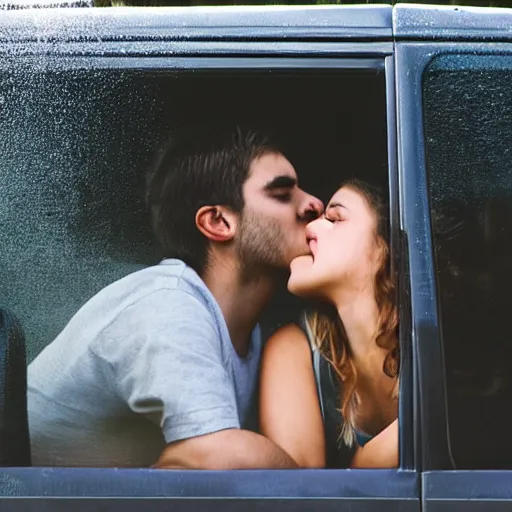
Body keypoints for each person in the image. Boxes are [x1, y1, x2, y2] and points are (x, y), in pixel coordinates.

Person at [27, 124, 323, 469]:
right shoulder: (169, 306)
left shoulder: (253, 333)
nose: (314, 204)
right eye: (282, 194)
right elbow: (220, 458)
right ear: (218, 221)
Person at [259, 179, 399, 469]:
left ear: (386, 249)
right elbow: (304, 492)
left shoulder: (442, 343)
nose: (310, 227)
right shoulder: (296, 348)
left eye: (335, 219)